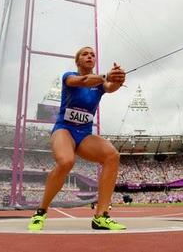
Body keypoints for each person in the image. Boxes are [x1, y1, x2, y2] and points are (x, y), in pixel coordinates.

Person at [28, 46, 126, 231]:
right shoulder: (68, 76)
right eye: (85, 54)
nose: (90, 56)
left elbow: (110, 87)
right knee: (66, 162)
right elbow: (82, 81)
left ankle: (101, 216)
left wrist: (118, 79)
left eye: (93, 54)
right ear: (78, 60)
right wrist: (106, 76)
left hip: (84, 134)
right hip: (64, 129)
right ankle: (40, 212)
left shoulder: (100, 83)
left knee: (112, 156)